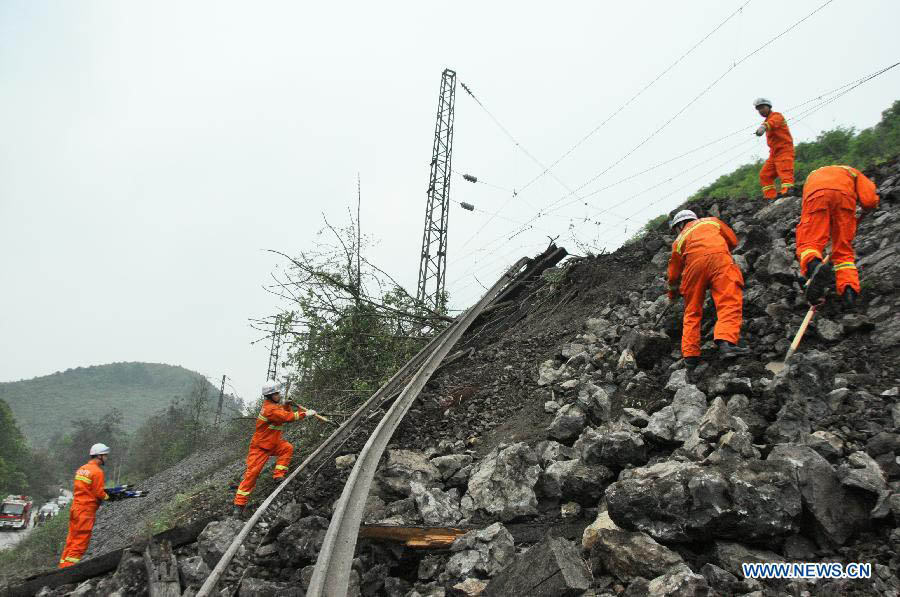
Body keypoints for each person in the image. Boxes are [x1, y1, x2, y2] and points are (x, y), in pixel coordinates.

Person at [666, 210, 749, 367]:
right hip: (719, 259)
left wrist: (673, 294)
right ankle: (726, 343)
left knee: (692, 310)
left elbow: (674, 275)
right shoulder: (712, 221)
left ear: (680, 225)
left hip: (694, 268)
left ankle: (690, 356)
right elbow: (733, 241)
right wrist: (718, 251)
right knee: (728, 300)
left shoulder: (678, 241)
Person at [797, 165, 880, 307]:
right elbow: (869, 201)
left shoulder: (813, 175)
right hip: (845, 198)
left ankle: (814, 266)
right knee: (843, 251)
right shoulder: (852, 172)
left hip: (816, 196)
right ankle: (849, 292)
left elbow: (808, 211)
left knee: (809, 243)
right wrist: (866, 210)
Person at [233, 382, 317, 517]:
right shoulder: (269, 409)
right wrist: (305, 414)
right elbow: (286, 417)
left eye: (279, 393)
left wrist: (287, 405)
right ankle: (239, 505)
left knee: (287, 448)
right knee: (252, 475)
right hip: (260, 448)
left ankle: (278, 476)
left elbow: (283, 414)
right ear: (270, 396)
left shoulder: (273, 407)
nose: (279, 395)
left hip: (272, 444)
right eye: (277, 393)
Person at [58, 443, 111, 568]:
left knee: (71, 539)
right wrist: (108, 497)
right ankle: (68, 572)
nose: (106, 458)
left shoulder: (81, 469)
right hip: (86, 511)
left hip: (75, 508)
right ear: (99, 456)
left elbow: (85, 489)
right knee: (80, 542)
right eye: (105, 455)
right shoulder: (97, 472)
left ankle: (62, 566)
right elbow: (98, 492)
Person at [754, 98, 795, 199]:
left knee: (785, 172)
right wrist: (764, 126)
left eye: (762, 107)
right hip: (774, 154)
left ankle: (787, 193)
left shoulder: (777, 116)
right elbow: (769, 124)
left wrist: (763, 127)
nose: (761, 110)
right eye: (758, 109)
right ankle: (770, 197)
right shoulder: (767, 121)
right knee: (765, 175)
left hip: (784, 151)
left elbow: (773, 123)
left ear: (769, 107)